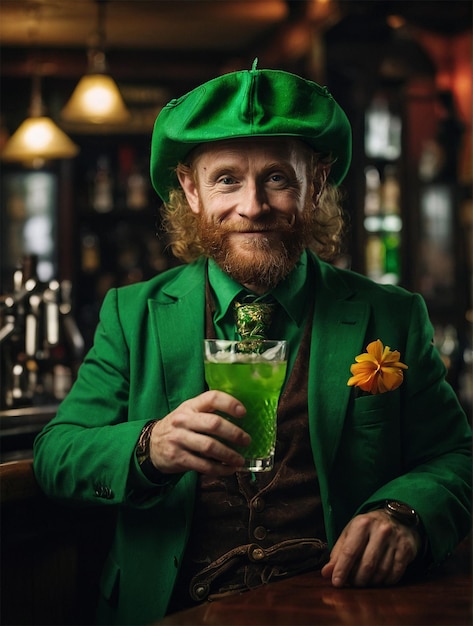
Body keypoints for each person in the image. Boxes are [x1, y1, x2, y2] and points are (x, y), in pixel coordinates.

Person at [33, 61, 472, 626]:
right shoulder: (132, 312)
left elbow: (455, 456)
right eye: (226, 180)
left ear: (315, 182)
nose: (253, 206)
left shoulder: (392, 315)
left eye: (277, 178)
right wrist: (149, 446)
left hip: (336, 604)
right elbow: (56, 454)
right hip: (173, 609)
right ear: (191, 190)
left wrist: (405, 512)